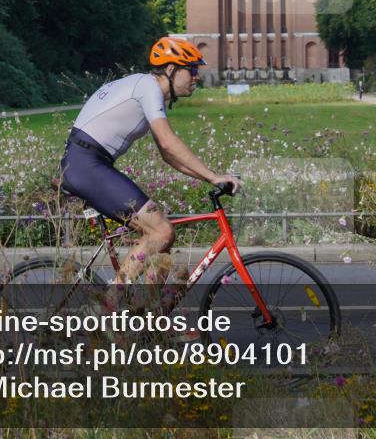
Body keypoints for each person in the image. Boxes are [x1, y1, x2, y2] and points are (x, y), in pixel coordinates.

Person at [59, 37, 244, 287]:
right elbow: (168, 143)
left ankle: (148, 309)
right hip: (86, 165)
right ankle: (110, 303)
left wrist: (208, 177)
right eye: (191, 69)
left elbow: (168, 155)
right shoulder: (148, 87)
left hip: (87, 164)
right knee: (161, 231)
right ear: (171, 69)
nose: (196, 77)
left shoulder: (146, 89)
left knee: (161, 243)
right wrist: (213, 177)